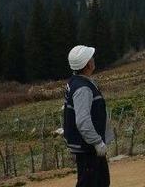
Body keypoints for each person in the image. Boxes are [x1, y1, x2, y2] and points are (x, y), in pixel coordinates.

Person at [63, 45, 114, 187]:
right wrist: (97, 142)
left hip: (87, 145)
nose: (93, 59)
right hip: (88, 147)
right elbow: (83, 121)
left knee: (101, 182)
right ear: (87, 64)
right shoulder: (83, 88)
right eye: (91, 57)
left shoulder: (75, 82)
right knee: (90, 183)